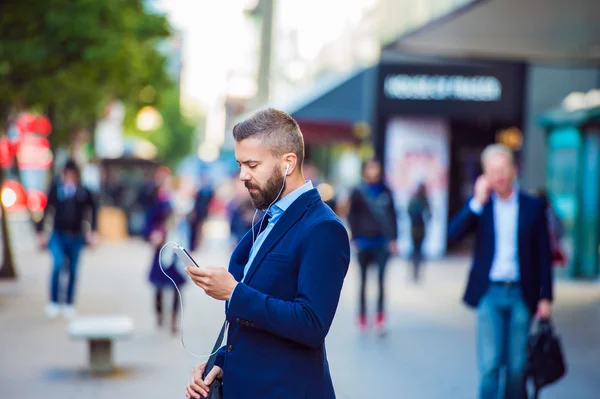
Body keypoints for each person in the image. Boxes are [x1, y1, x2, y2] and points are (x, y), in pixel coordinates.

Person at [183, 108, 350, 399]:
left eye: (252, 165)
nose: (242, 176)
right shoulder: (268, 217)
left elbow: (311, 324)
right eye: (240, 164)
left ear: (288, 163)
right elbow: (256, 323)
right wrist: (220, 362)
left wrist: (234, 293)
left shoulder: (323, 228)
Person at [448, 144, 553, 399]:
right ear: (485, 176)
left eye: (504, 170)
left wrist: (546, 297)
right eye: (493, 171)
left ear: (514, 170)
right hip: (489, 293)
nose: (500, 176)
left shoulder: (532, 206)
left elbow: (543, 254)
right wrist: (475, 201)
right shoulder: (482, 206)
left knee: (516, 370)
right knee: (490, 368)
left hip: (521, 293)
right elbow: (452, 235)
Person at [37, 160, 99, 319]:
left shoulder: (82, 191)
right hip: (58, 233)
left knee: (72, 269)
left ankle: (69, 303)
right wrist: (41, 233)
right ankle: (54, 301)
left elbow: (93, 209)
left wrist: (93, 231)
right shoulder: (57, 189)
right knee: (57, 265)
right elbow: (46, 210)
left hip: (76, 235)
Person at [347, 159, 398, 334]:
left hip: (381, 243)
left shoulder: (387, 191)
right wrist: (354, 238)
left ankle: (380, 317)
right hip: (364, 242)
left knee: (382, 281)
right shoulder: (358, 191)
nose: (373, 171)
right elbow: (352, 215)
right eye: (370, 168)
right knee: (362, 282)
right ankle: (362, 317)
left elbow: (393, 215)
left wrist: (393, 239)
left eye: (376, 168)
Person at [407, 182, 431, 282]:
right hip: (417, 228)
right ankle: (415, 272)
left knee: (417, 250)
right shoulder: (421, 200)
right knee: (417, 250)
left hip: (417, 228)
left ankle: (416, 272)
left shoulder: (420, 200)